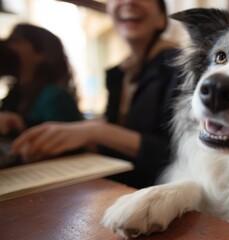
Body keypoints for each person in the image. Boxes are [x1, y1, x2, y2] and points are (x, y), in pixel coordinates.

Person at [12, 0, 181, 189]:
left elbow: (177, 153)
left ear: (161, 19)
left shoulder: (180, 66)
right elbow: (115, 145)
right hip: (119, 189)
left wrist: (96, 131)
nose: (129, 2)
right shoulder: (119, 73)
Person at [0, 24, 82, 140]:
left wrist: (21, 126)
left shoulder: (54, 96)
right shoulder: (16, 94)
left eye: (16, 41)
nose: (8, 46)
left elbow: (63, 142)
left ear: (40, 54)